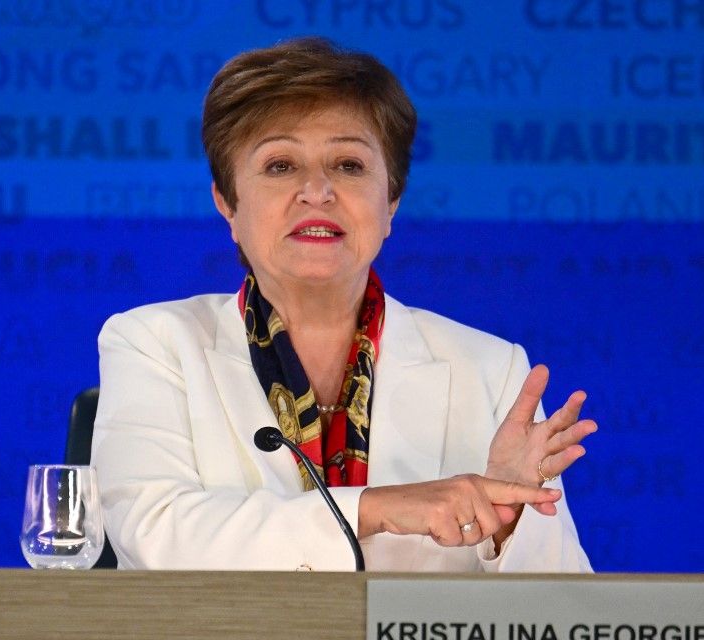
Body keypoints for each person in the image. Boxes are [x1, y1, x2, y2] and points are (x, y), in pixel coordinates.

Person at [91, 37, 596, 572]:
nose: (317, 190)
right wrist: (375, 508)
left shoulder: (493, 371)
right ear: (227, 202)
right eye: (281, 165)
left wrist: (513, 526)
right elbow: (153, 533)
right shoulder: (153, 343)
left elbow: (563, 620)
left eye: (349, 165)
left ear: (391, 202)